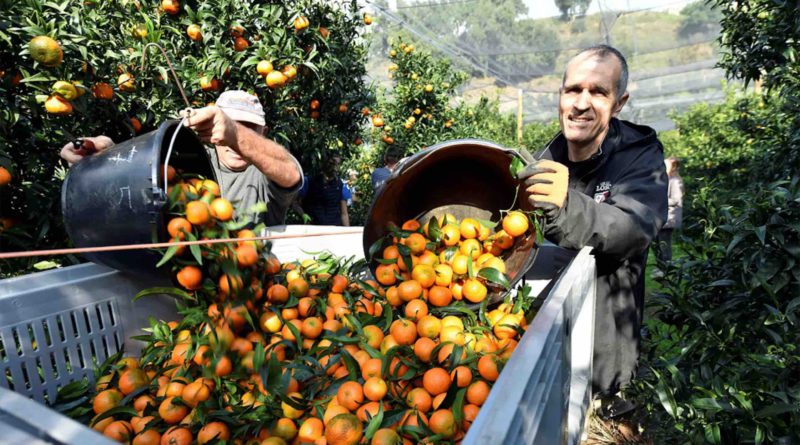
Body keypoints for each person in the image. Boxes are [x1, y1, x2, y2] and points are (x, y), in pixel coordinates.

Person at [520, 45, 668, 417]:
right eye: (573, 90)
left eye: (598, 92)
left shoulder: (638, 156)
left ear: (618, 103)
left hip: (604, 360)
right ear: (560, 96)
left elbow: (631, 228)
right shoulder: (546, 161)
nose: (581, 103)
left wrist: (565, 206)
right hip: (544, 349)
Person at [60, 90, 303, 226]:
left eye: (250, 128)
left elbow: (291, 172)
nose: (235, 141)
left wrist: (235, 134)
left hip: (254, 280)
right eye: (233, 124)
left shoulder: (264, 168)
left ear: (264, 133)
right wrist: (107, 154)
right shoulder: (194, 159)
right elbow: (144, 168)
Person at [297, 156, 350, 226]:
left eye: (338, 164)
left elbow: (344, 214)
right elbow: (295, 202)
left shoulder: (341, 185)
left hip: (334, 229)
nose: (335, 167)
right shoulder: (309, 181)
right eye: (332, 163)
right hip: (313, 229)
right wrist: (303, 214)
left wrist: (347, 232)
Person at [655, 157, 683, 263]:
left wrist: (658, 200)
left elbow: (676, 200)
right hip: (661, 217)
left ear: (673, 166)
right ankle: (661, 265)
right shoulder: (665, 179)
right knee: (658, 243)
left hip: (670, 218)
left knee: (665, 243)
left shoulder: (675, 181)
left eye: (666, 165)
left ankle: (667, 266)